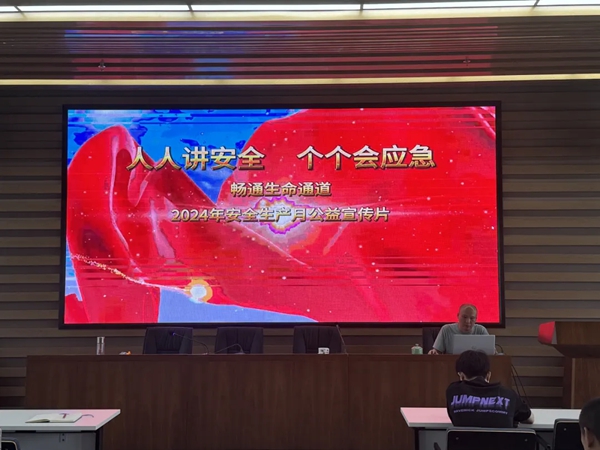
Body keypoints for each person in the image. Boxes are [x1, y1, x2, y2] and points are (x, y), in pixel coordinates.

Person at [446, 350, 534, 428]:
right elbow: (530, 419)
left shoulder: (453, 392)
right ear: (488, 375)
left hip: (464, 442)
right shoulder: (509, 395)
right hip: (501, 442)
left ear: (461, 376)